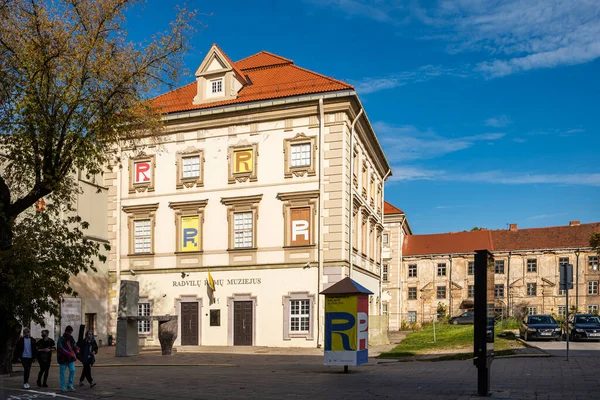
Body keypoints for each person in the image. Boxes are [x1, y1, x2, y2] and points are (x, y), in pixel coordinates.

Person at [57, 326, 79, 392]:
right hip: (63, 359)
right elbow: (60, 349)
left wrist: (77, 348)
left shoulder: (71, 338)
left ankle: (70, 384)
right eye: (70, 332)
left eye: (71, 333)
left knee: (72, 370)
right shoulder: (61, 339)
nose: (70, 334)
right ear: (66, 331)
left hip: (70, 358)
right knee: (62, 373)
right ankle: (63, 387)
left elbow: (74, 345)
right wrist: (68, 353)